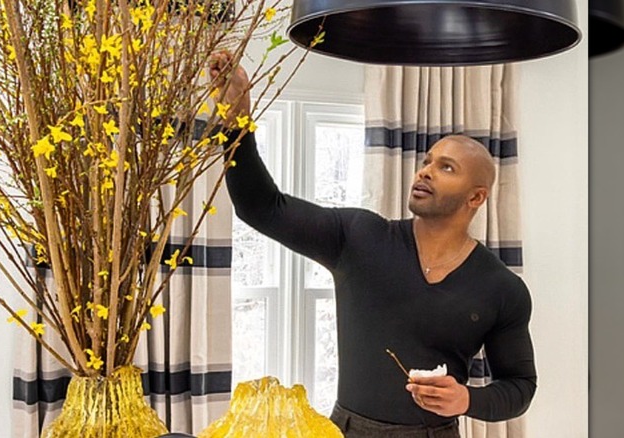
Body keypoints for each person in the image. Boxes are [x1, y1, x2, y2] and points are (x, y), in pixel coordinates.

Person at [208, 52, 537, 438]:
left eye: (446, 167)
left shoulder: (501, 288)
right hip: (347, 431)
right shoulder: (359, 237)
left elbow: (519, 387)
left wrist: (467, 400)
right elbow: (260, 207)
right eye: (428, 161)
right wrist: (236, 124)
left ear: (476, 198)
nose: (425, 170)